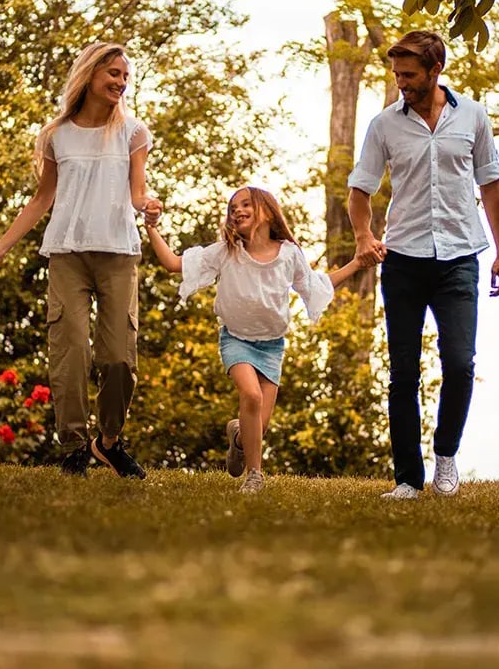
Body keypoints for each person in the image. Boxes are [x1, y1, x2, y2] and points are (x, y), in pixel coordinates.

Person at [0, 42, 161, 479]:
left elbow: (136, 193)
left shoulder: (134, 132)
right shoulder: (57, 135)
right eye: (113, 73)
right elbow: (42, 199)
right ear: (90, 75)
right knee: (70, 350)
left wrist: (149, 204)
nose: (121, 82)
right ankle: (74, 447)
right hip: (67, 254)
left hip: (117, 254)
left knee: (118, 359)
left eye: (125, 76)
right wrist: (1, 247)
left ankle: (109, 442)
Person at [348, 30, 499, 500]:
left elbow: (492, 185)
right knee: (403, 372)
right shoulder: (384, 125)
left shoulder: (473, 116)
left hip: (460, 257)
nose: (401, 82)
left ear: (436, 71)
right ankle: (406, 480)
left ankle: (446, 456)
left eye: (409, 74)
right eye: (397, 74)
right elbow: (360, 189)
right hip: (403, 260)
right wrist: (363, 235)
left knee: (459, 363)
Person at [145, 187, 364, 493]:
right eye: (232, 207)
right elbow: (173, 263)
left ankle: (237, 436)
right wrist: (152, 227)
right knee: (252, 396)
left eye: (245, 204)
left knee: (257, 427)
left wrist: (357, 263)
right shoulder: (226, 251)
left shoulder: (288, 253)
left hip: (272, 347)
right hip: (236, 339)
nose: (237, 210)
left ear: (266, 211)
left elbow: (316, 285)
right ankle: (255, 475)